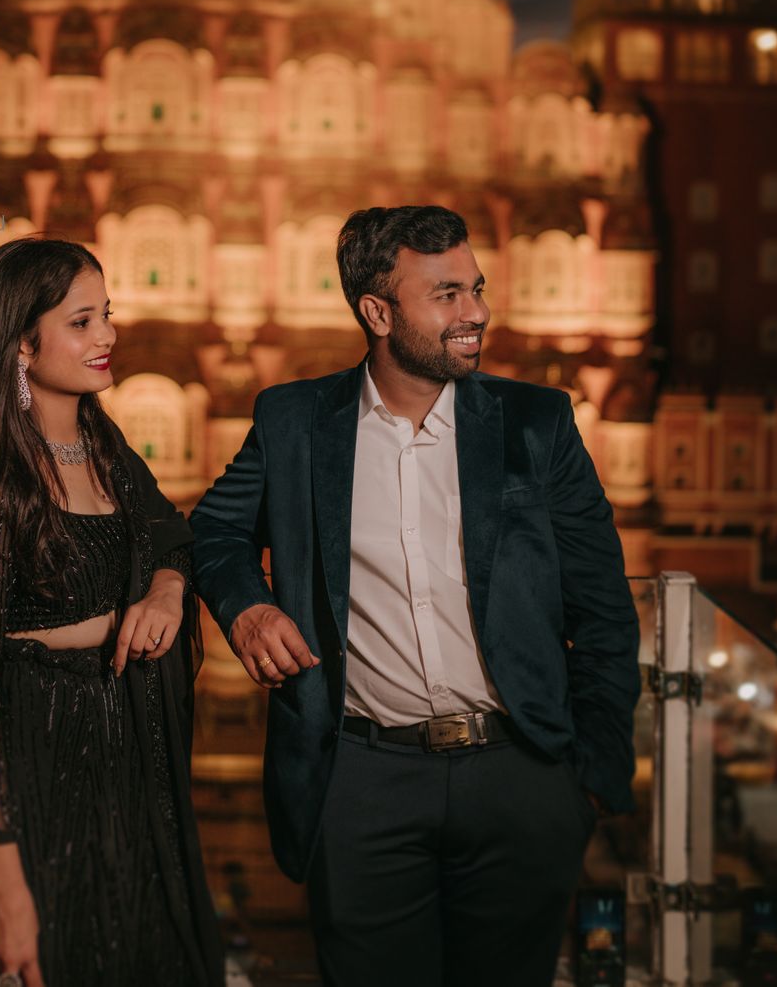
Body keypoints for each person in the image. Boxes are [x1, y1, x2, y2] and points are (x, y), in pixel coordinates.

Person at [191, 205, 640, 987]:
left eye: (476, 288)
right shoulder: (294, 421)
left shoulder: (537, 424)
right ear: (378, 311)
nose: (475, 313)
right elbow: (213, 532)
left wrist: (589, 777)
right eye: (446, 295)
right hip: (362, 782)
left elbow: (603, 605)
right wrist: (248, 607)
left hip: (521, 776)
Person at [0, 237, 222, 987]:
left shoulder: (103, 442)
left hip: (112, 765)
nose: (108, 336)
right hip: (21, 764)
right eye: (82, 321)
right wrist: (1, 883)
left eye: (107, 315)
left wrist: (163, 588)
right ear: (23, 344)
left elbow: (170, 532)